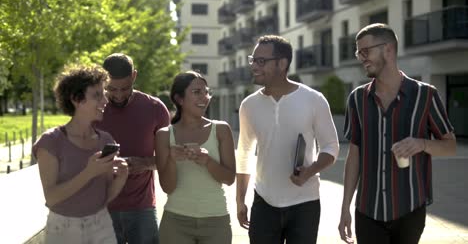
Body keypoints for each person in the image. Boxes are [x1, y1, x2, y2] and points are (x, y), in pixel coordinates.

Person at [338, 23, 457, 244]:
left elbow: (450, 145)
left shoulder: (426, 95)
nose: (361, 57)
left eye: (366, 51)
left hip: (410, 209)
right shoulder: (357, 99)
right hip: (367, 210)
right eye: (358, 52)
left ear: (388, 49)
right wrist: (345, 206)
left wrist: (422, 143)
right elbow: (354, 154)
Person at [236, 35, 340, 244]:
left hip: (305, 203)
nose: (254, 66)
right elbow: (245, 153)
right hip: (264, 202)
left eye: (261, 61)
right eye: (253, 60)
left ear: (282, 64)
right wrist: (240, 200)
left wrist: (310, 171)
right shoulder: (248, 105)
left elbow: (331, 146)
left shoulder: (314, 100)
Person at [33, 64, 128, 244]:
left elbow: (104, 198)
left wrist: (121, 180)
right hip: (63, 230)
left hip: (102, 225)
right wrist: (88, 172)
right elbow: (51, 198)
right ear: (76, 99)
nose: (105, 101)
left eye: (104, 94)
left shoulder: (106, 140)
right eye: (97, 95)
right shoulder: (50, 142)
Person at [94, 53, 170, 244]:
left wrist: (144, 163)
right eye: (111, 89)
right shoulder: (91, 109)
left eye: (125, 88)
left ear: (134, 76)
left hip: (142, 209)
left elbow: (170, 157)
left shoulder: (156, 109)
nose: (118, 95)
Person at [155, 71, 236, 244]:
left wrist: (207, 161)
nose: (205, 97)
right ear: (179, 99)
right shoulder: (163, 135)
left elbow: (229, 179)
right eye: (197, 92)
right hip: (175, 221)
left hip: (216, 220)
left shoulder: (221, 130)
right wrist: (171, 159)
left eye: (206, 92)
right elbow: (167, 187)